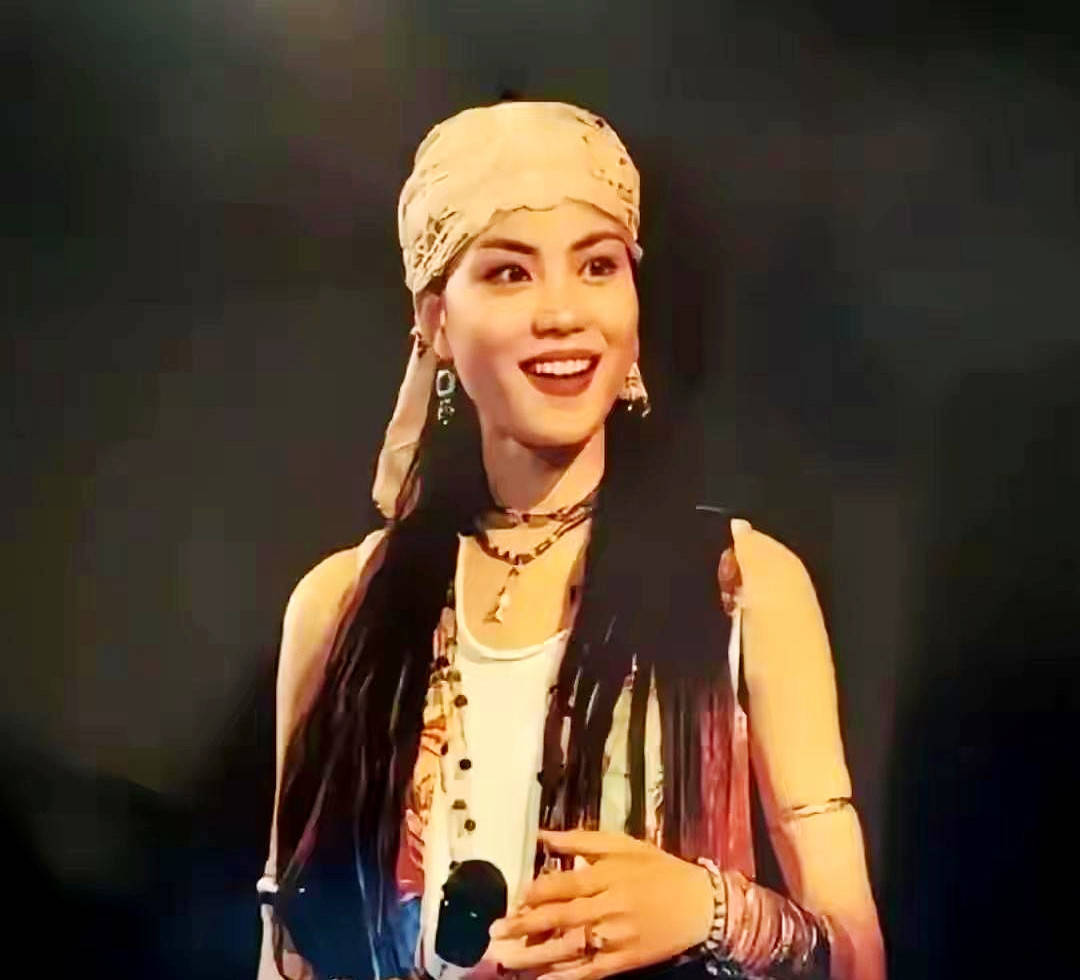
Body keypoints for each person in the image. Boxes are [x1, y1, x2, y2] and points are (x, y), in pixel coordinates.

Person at [256, 101, 886, 980]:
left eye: (597, 266)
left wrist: (709, 910)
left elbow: (856, 954)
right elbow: (287, 953)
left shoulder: (744, 588)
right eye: (510, 273)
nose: (562, 313)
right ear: (435, 320)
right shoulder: (343, 608)